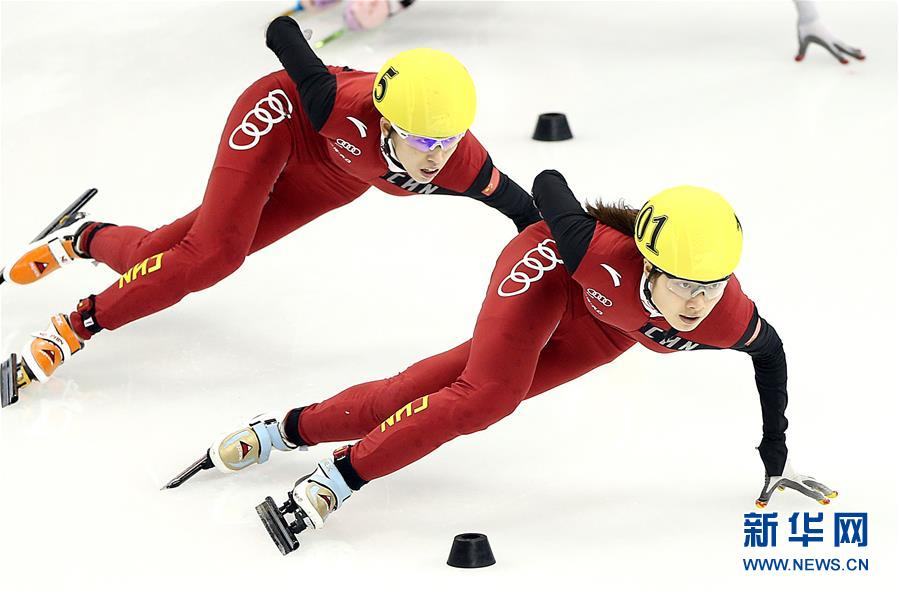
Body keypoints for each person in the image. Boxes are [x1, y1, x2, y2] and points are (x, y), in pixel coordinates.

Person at [186, 170, 836, 553]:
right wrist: (554, 221)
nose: (696, 303)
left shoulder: (726, 313)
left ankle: (282, 430)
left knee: (440, 386)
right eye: (682, 283)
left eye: (711, 284)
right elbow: (551, 184)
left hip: (604, 327)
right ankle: (333, 482)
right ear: (648, 260)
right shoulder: (596, 251)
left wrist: (772, 447)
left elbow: (769, 355)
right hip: (548, 270)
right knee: (484, 395)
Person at [0, 16, 540, 406]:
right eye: (423, 139)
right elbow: (281, 31)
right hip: (279, 116)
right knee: (212, 255)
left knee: (162, 256)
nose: (437, 155)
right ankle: (73, 326)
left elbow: (532, 219)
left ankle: (84, 237)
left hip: (333, 178)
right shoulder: (334, 103)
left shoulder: (465, 167)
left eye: (448, 139)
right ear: (387, 121)